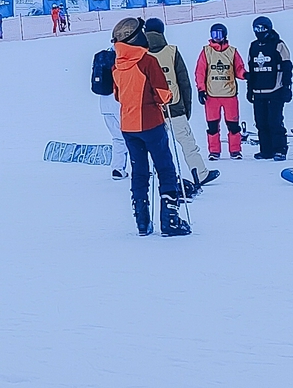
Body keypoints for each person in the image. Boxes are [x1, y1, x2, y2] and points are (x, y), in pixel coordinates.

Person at [90, 18, 189, 236]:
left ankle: (142, 220)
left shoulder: (117, 64)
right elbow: (163, 94)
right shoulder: (147, 61)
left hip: (128, 125)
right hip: (151, 122)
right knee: (165, 167)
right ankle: (170, 219)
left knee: (139, 170)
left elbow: (117, 94)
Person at [142, 18, 215, 191]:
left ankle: (157, 175)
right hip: (175, 107)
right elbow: (184, 82)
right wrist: (186, 108)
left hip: (153, 109)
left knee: (156, 145)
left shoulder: (142, 54)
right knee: (188, 143)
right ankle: (200, 173)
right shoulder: (172, 51)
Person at [245, 17, 293, 162]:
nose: (259, 32)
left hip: (276, 90)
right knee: (260, 122)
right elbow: (251, 69)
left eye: (262, 28)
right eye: (256, 29)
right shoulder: (253, 46)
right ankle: (265, 150)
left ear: (268, 28)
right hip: (258, 91)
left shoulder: (278, 44)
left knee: (275, 121)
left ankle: (280, 149)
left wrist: (287, 87)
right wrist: (249, 89)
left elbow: (287, 66)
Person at [194, 23, 245, 160]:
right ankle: (214, 151)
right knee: (212, 126)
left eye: (219, 34)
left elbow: (238, 68)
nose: (216, 38)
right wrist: (201, 90)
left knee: (233, 125)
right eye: (213, 35)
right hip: (212, 95)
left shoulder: (232, 51)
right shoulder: (206, 51)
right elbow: (200, 72)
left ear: (224, 35)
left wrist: (245, 75)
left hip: (229, 94)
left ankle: (235, 150)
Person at [90, 49, 131, 180]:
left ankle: (117, 169)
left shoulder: (101, 57)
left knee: (118, 138)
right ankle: (142, 168)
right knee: (134, 136)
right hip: (118, 102)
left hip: (104, 103)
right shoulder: (120, 57)